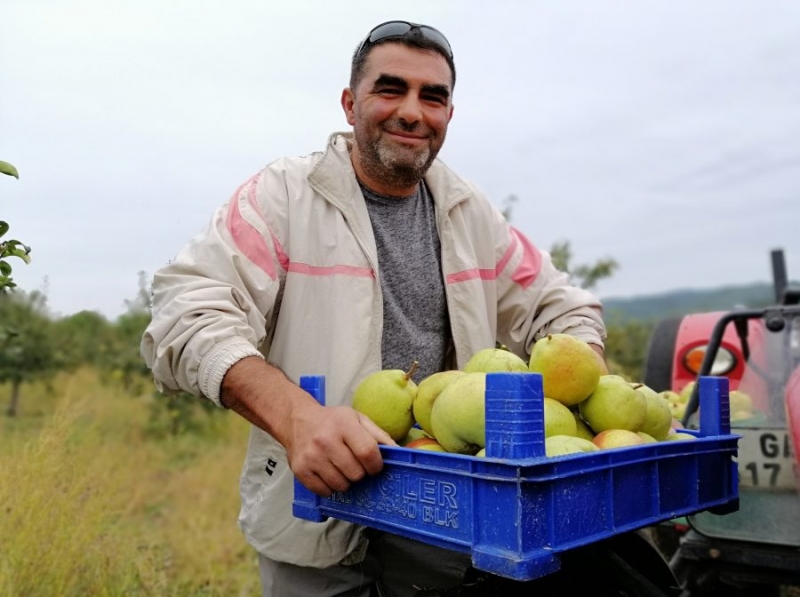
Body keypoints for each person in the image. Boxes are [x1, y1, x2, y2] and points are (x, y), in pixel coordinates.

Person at [141, 20, 607, 597]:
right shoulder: (284, 195)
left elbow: (563, 306)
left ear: (449, 116)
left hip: (444, 515)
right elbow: (187, 313)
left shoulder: (468, 211)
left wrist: (587, 384)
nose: (413, 112)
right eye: (391, 90)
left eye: (432, 97)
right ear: (349, 103)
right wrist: (297, 418)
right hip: (314, 509)